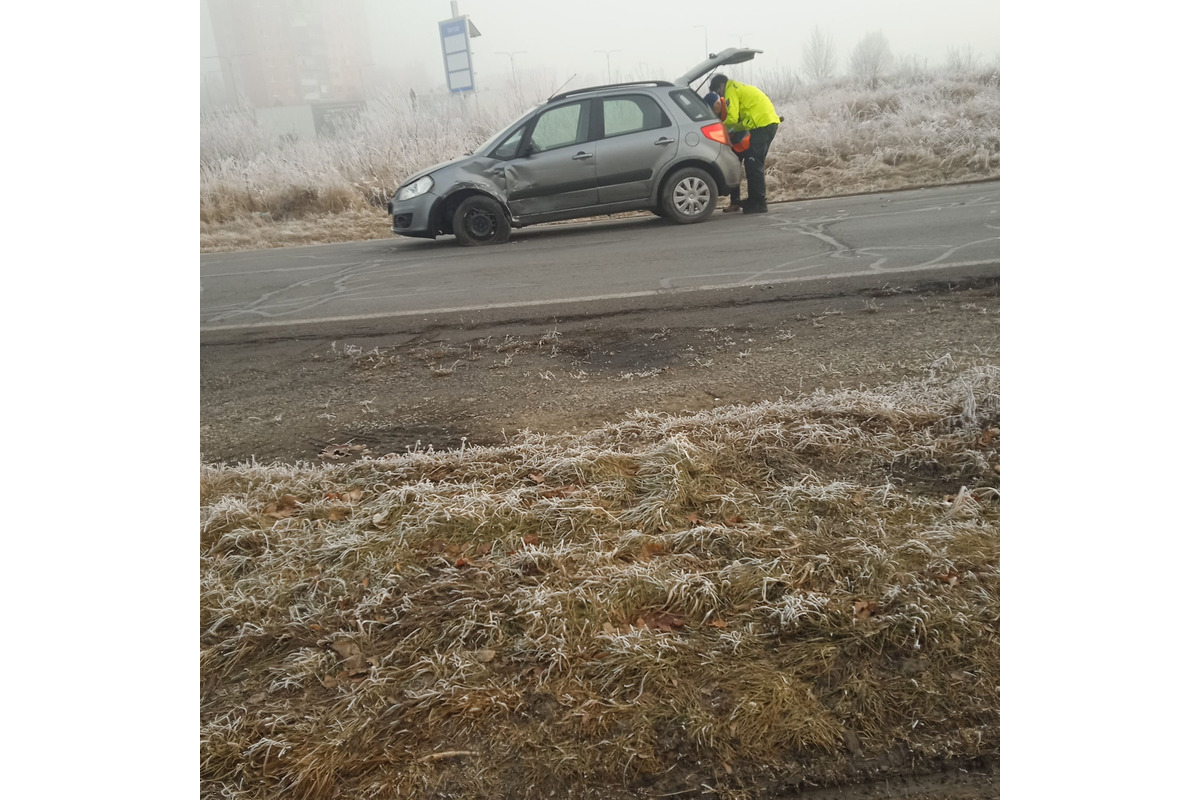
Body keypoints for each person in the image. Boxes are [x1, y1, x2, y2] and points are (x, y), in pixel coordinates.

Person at [708, 73, 780, 214]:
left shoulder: (731, 90)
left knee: (754, 164)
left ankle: (759, 203)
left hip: (762, 124)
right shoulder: (737, 87)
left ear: (722, 86)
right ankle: (754, 200)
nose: (720, 95)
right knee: (751, 164)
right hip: (766, 123)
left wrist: (719, 129)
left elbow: (732, 118)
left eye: (718, 91)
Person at [703, 91, 750, 212]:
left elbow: (739, 125)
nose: (713, 112)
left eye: (713, 109)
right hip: (734, 146)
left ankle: (755, 200)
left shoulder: (730, 105)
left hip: (747, 142)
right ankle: (735, 202)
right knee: (733, 171)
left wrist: (728, 136)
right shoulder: (718, 112)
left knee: (752, 172)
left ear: (717, 103)